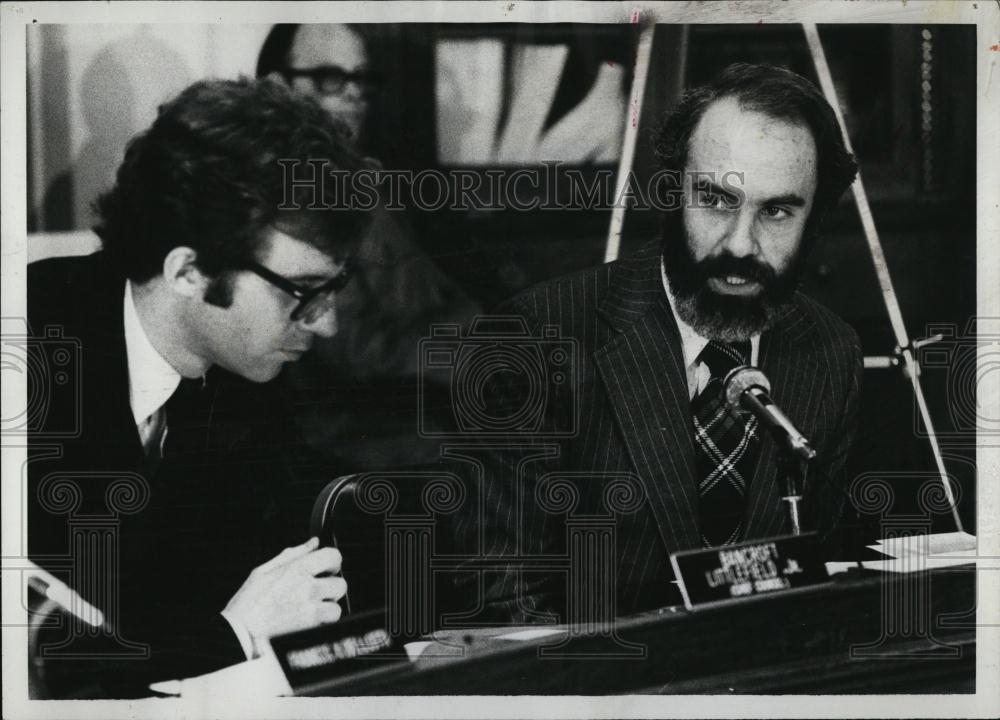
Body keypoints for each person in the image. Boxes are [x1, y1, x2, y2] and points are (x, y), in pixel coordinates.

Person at [451, 63, 863, 624]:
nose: (741, 244)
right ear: (672, 191)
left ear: (812, 220)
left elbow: (824, 576)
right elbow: (502, 600)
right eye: (717, 200)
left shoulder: (830, 352)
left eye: (776, 211)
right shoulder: (536, 338)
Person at [26, 78, 368, 696]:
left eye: (335, 289)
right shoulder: (27, 345)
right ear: (188, 272)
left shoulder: (248, 372)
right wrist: (232, 635)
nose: (327, 323)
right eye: (302, 292)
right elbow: (40, 660)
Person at [256, 24, 482, 469]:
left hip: (430, 398)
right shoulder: (290, 197)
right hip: (363, 429)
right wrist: (479, 356)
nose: (354, 94)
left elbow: (433, 294)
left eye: (361, 78)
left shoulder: (361, 179)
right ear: (277, 86)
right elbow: (350, 347)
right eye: (330, 77)